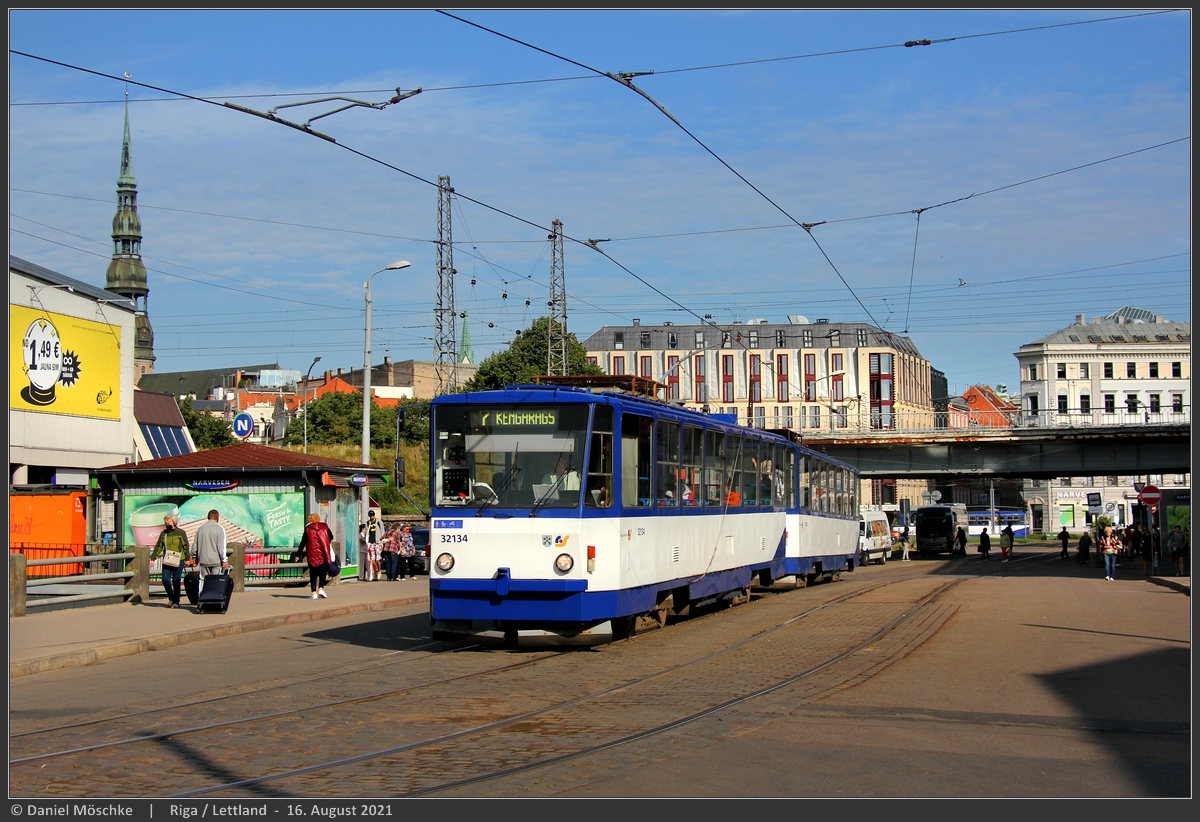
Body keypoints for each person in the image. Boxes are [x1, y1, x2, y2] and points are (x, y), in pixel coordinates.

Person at [151, 513, 191, 608]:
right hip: (167, 560)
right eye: (165, 523)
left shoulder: (180, 532)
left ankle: (176, 601)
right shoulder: (164, 533)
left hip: (179, 559)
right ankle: (171, 597)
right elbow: (158, 546)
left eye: (168, 522)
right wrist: (153, 558)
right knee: (165, 579)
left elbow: (185, 546)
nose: (166, 524)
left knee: (176, 580)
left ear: (174, 522)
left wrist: (187, 558)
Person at [299, 513, 334, 599]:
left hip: (312, 553)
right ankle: (321, 589)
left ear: (310, 520)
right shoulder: (325, 527)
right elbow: (331, 537)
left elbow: (303, 542)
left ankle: (313, 593)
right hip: (323, 552)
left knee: (313, 574)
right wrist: (325, 541)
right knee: (323, 572)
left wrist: (298, 553)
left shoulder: (308, 529)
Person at [192, 509, 228, 581]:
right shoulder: (220, 529)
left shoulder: (201, 528)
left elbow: (195, 545)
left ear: (208, 517)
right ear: (217, 518)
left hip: (203, 560)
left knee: (204, 581)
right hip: (215, 561)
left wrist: (194, 557)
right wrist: (224, 560)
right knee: (215, 582)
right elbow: (221, 547)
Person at [366, 509, 382, 581]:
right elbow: (367, 532)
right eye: (370, 516)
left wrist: (382, 540)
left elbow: (382, 530)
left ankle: (379, 571)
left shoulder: (378, 522)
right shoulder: (368, 523)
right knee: (372, 559)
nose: (372, 517)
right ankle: (374, 573)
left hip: (378, 542)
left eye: (372, 515)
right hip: (371, 542)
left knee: (377, 558)